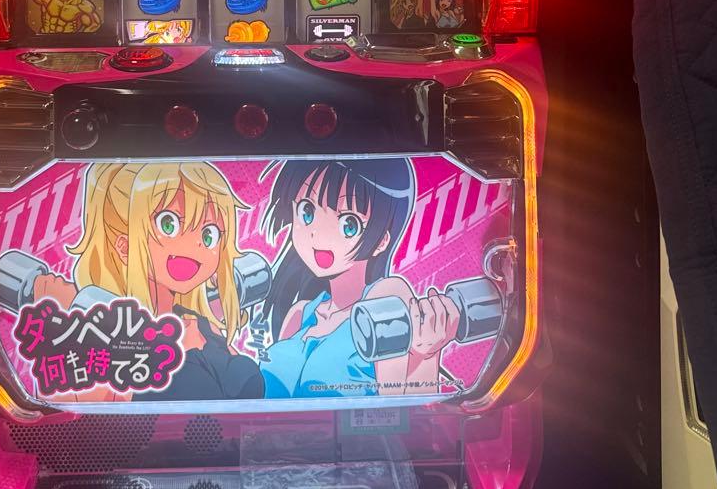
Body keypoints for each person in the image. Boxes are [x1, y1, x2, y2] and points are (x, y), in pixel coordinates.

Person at [33, 162, 264, 401]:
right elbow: (68, 411)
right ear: (124, 246)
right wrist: (55, 329)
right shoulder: (107, 343)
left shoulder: (202, 326)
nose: (195, 244)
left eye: (209, 235)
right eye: (169, 224)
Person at [259, 158, 461, 398]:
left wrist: (424, 356)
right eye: (307, 212)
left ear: (382, 241)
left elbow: (401, 407)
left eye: (349, 224)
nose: (318, 234)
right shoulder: (299, 315)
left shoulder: (384, 299)